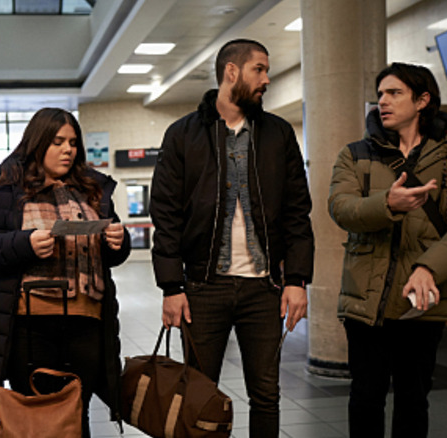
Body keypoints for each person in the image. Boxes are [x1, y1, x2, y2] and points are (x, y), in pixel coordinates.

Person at [150, 39, 314, 437]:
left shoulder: (277, 135)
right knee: (199, 394)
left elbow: (297, 212)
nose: (267, 79)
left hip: (264, 290)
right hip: (204, 287)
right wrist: (172, 286)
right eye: (259, 69)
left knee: (266, 395)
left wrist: (296, 280)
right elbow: (166, 215)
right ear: (231, 72)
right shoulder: (183, 135)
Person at [328, 62, 447, 438]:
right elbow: (341, 208)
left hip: (422, 302)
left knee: (413, 401)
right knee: (365, 399)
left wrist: (429, 268)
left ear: (422, 100)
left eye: (394, 93)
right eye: (380, 93)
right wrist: (388, 203)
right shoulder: (355, 155)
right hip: (366, 304)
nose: (382, 101)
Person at [0, 107, 131, 437]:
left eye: (72, 142)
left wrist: (117, 242)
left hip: (87, 325)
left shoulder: (93, 189)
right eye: (57, 142)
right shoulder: (4, 187)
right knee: (37, 419)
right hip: (30, 326)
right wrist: (24, 244)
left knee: (75, 418)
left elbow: (110, 257)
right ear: (37, 143)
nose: (68, 149)